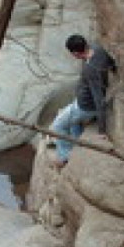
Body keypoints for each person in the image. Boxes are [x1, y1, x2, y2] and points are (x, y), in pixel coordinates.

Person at [50, 34, 116, 166]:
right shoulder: (97, 49)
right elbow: (110, 61)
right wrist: (113, 67)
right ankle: (77, 141)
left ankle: (64, 157)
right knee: (72, 121)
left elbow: (99, 98)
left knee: (57, 126)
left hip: (85, 107)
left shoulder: (90, 69)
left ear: (75, 53)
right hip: (84, 102)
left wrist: (102, 130)